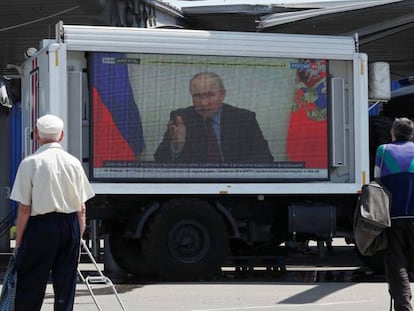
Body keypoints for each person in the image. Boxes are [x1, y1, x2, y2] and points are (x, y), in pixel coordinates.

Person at [10, 114, 95, 311]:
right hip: (69, 225)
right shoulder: (73, 163)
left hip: (40, 226)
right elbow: (81, 207)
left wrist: (19, 241)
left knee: (31, 282)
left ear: (37, 134)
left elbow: (24, 208)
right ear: (62, 135)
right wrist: (78, 236)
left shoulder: (30, 163)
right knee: (65, 285)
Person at [154, 71, 274, 163]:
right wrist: (176, 146)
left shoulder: (244, 118)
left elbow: (265, 158)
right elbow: (159, 160)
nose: (204, 103)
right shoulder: (181, 119)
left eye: (210, 95)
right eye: (197, 96)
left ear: (222, 94)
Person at [374, 117, 414, 311]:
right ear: (411, 134)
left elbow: (377, 181)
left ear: (393, 133)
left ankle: (404, 306)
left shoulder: (384, 150)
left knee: (397, 263)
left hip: (394, 216)